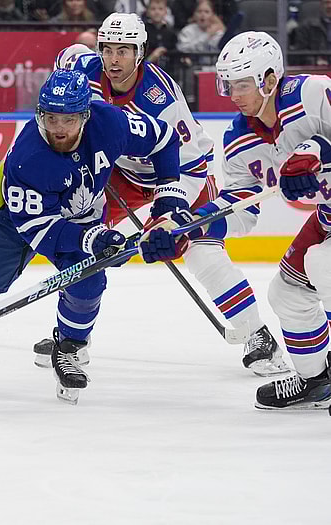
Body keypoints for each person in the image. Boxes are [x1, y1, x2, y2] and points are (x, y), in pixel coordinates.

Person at [0, 68, 184, 404]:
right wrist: (94, 240)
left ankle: (69, 347)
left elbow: (165, 138)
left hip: (82, 215)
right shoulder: (29, 157)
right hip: (16, 221)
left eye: (67, 119)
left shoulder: (110, 122)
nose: (57, 128)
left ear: (85, 115)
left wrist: (169, 197)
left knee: (88, 283)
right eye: (50, 117)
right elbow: (41, 231)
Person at [48, 13, 287, 376]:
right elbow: (68, 59)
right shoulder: (85, 69)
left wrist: (169, 209)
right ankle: (72, 338)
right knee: (82, 241)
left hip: (177, 172)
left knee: (202, 253)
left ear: (140, 52)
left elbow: (191, 160)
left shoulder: (160, 97)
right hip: (123, 174)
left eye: (124, 51)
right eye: (107, 49)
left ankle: (258, 335)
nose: (113, 60)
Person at [146, 31, 331, 409]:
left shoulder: (313, 93)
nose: (233, 94)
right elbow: (241, 208)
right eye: (227, 84)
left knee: (323, 264)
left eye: (242, 84)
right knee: (288, 293)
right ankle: (317, 380)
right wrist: (190, 225)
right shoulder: (238, 138)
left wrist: (315, 151)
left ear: (268, 79)